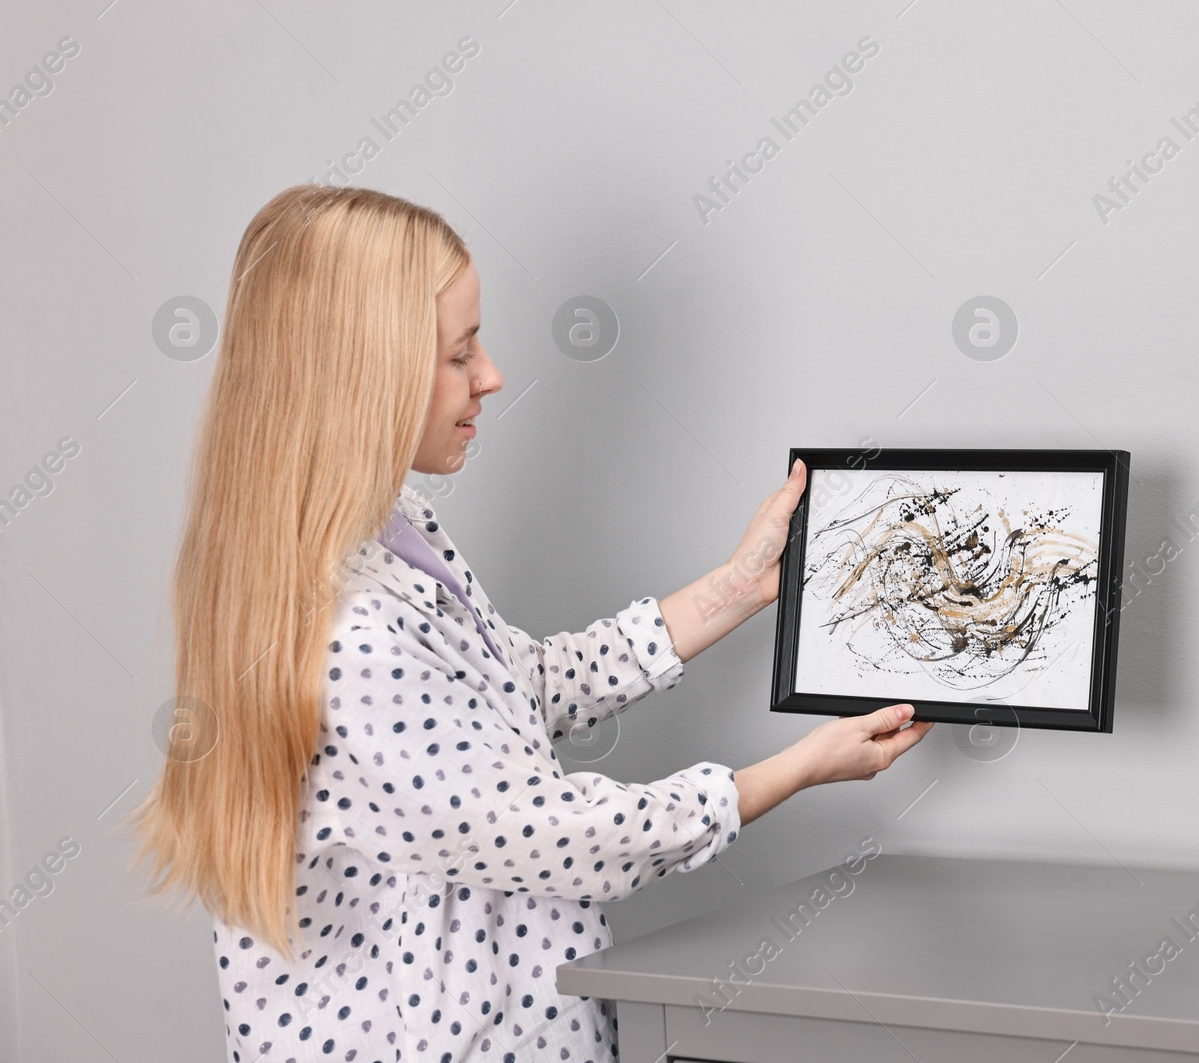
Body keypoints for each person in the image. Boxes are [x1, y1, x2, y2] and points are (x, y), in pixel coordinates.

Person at [130, 183, 933, 1063]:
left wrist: (736, 588)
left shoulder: (391, 534)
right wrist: (800, 768)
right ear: (362, 374)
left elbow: (522, 685)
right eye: (459, 353)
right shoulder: (354, 636)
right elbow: (562, 837)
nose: (493, 375)